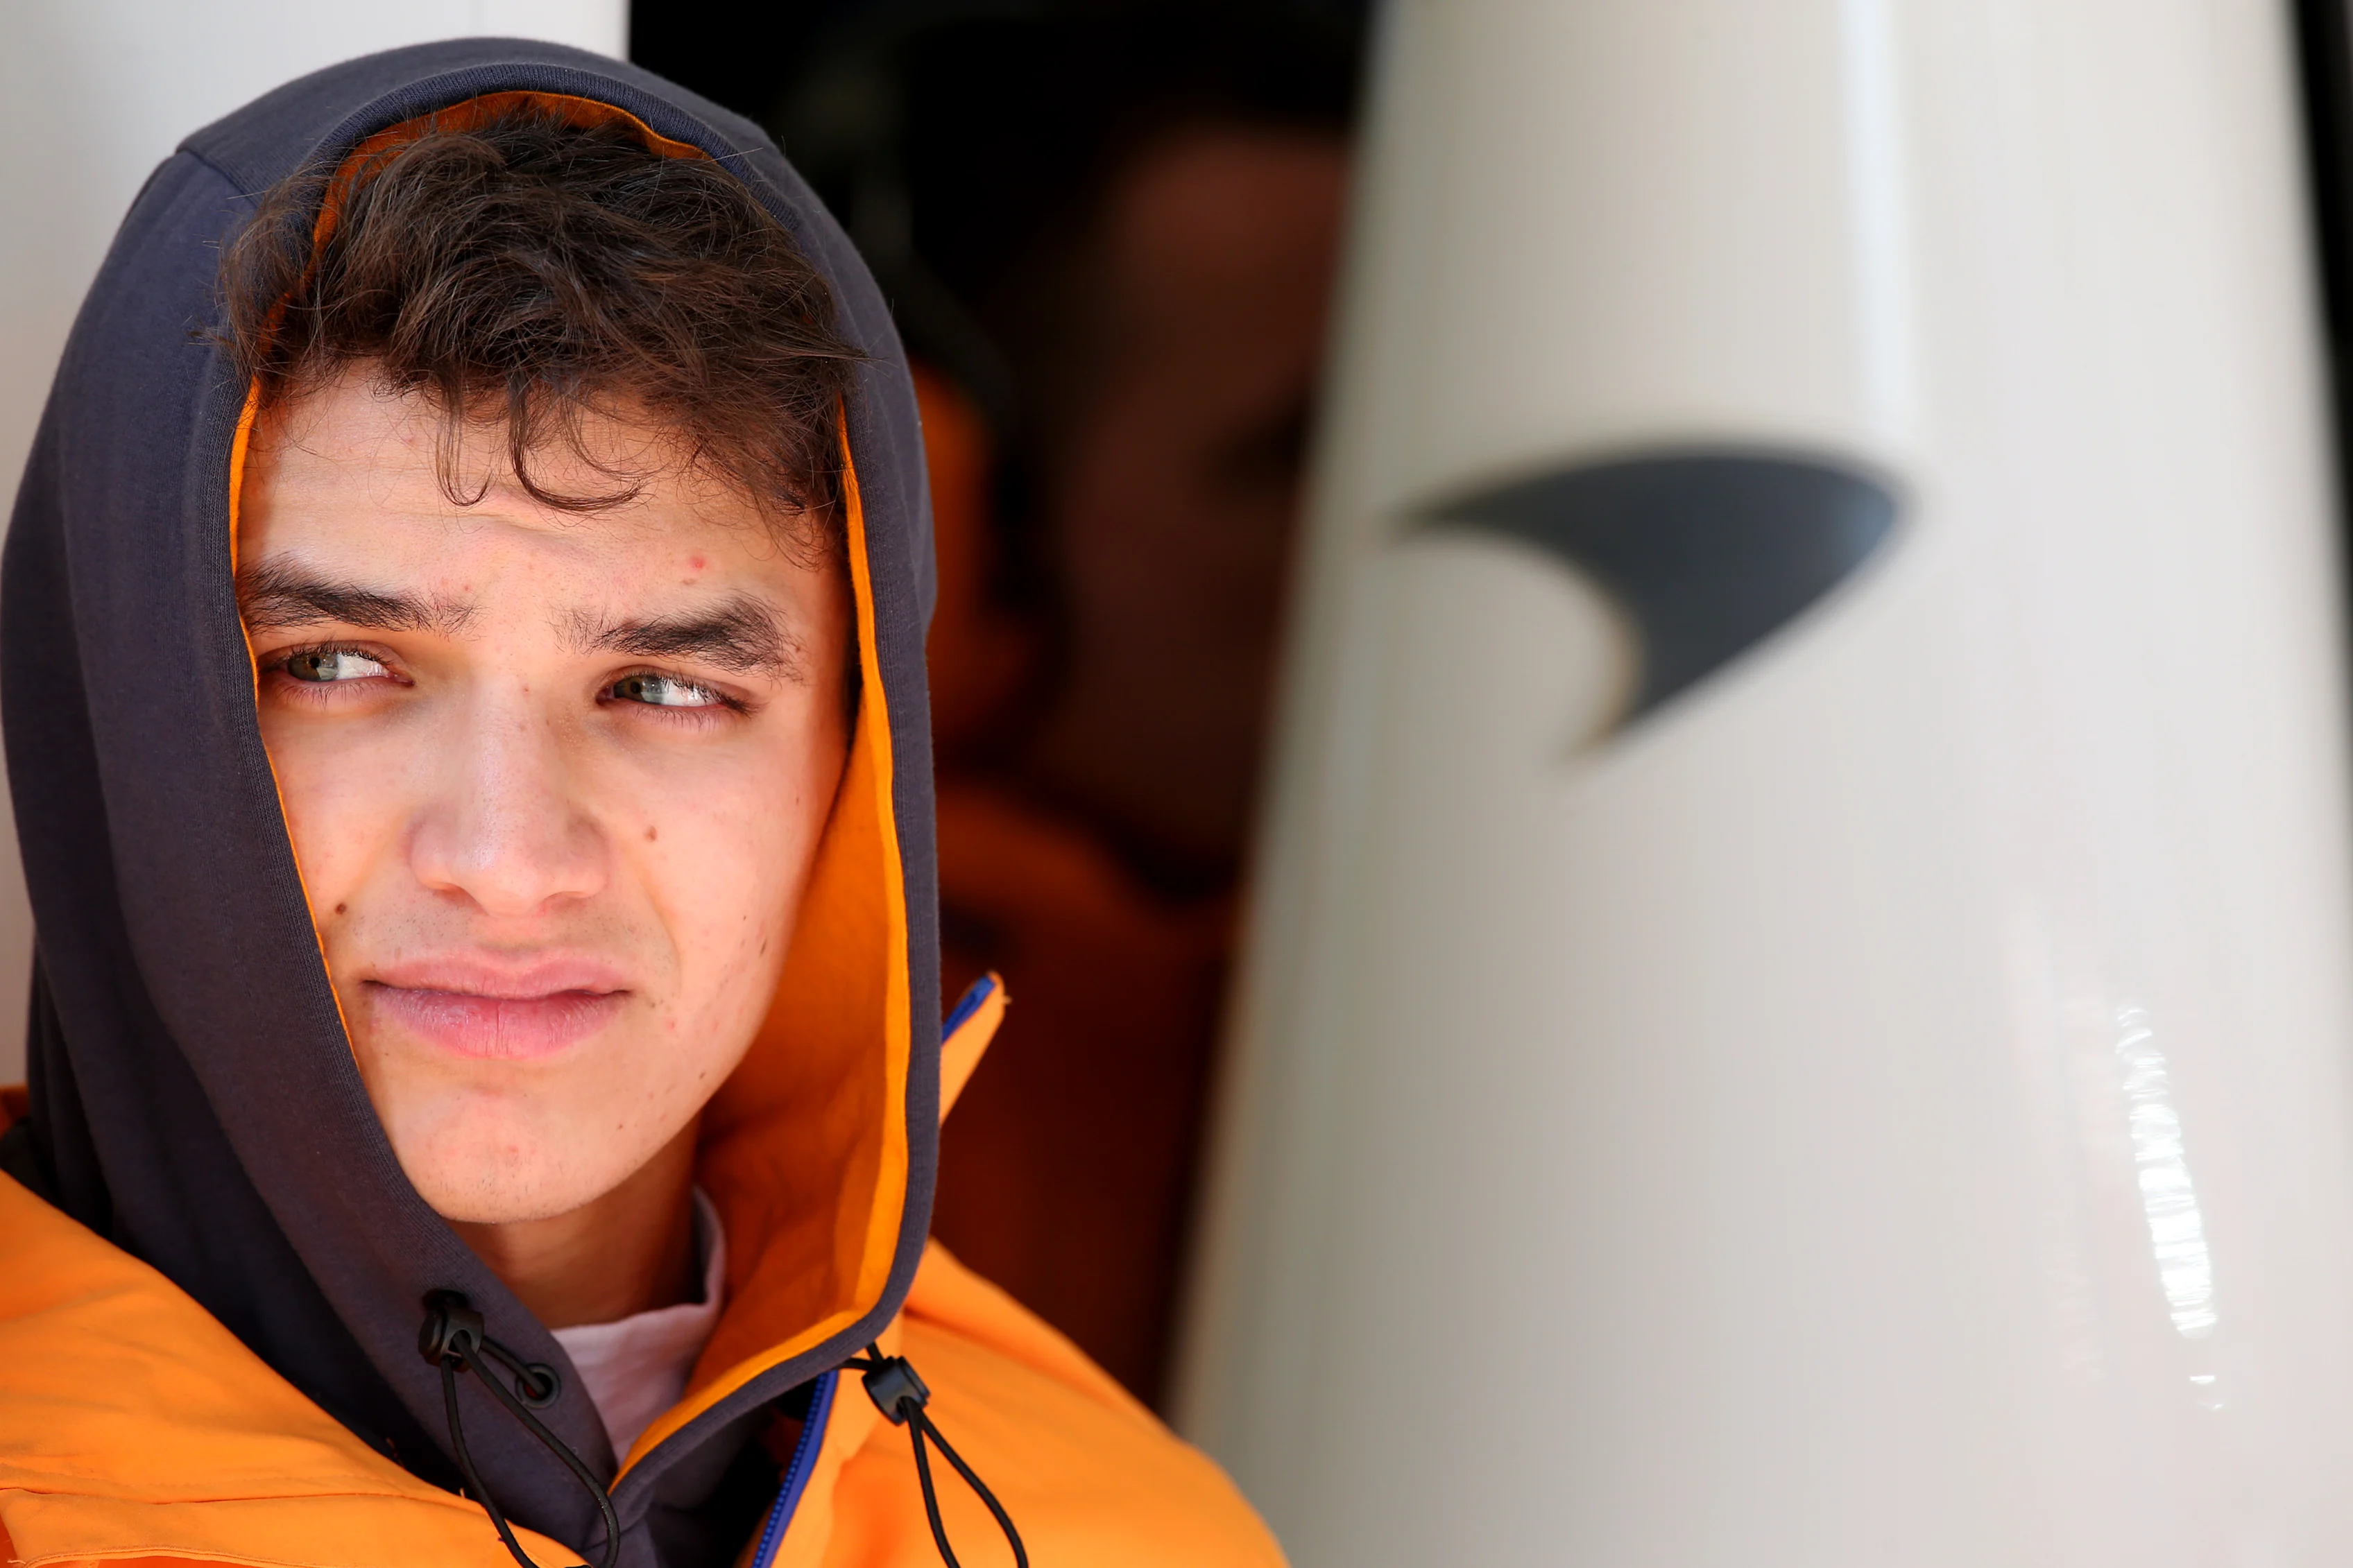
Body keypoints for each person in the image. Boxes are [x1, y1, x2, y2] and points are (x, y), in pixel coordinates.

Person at [0, 40, 1281, 1568]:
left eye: (669, 690)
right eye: (339, 662)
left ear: (851, 774)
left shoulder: (1116, 1533)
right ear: (126, 717)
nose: (507, 858)